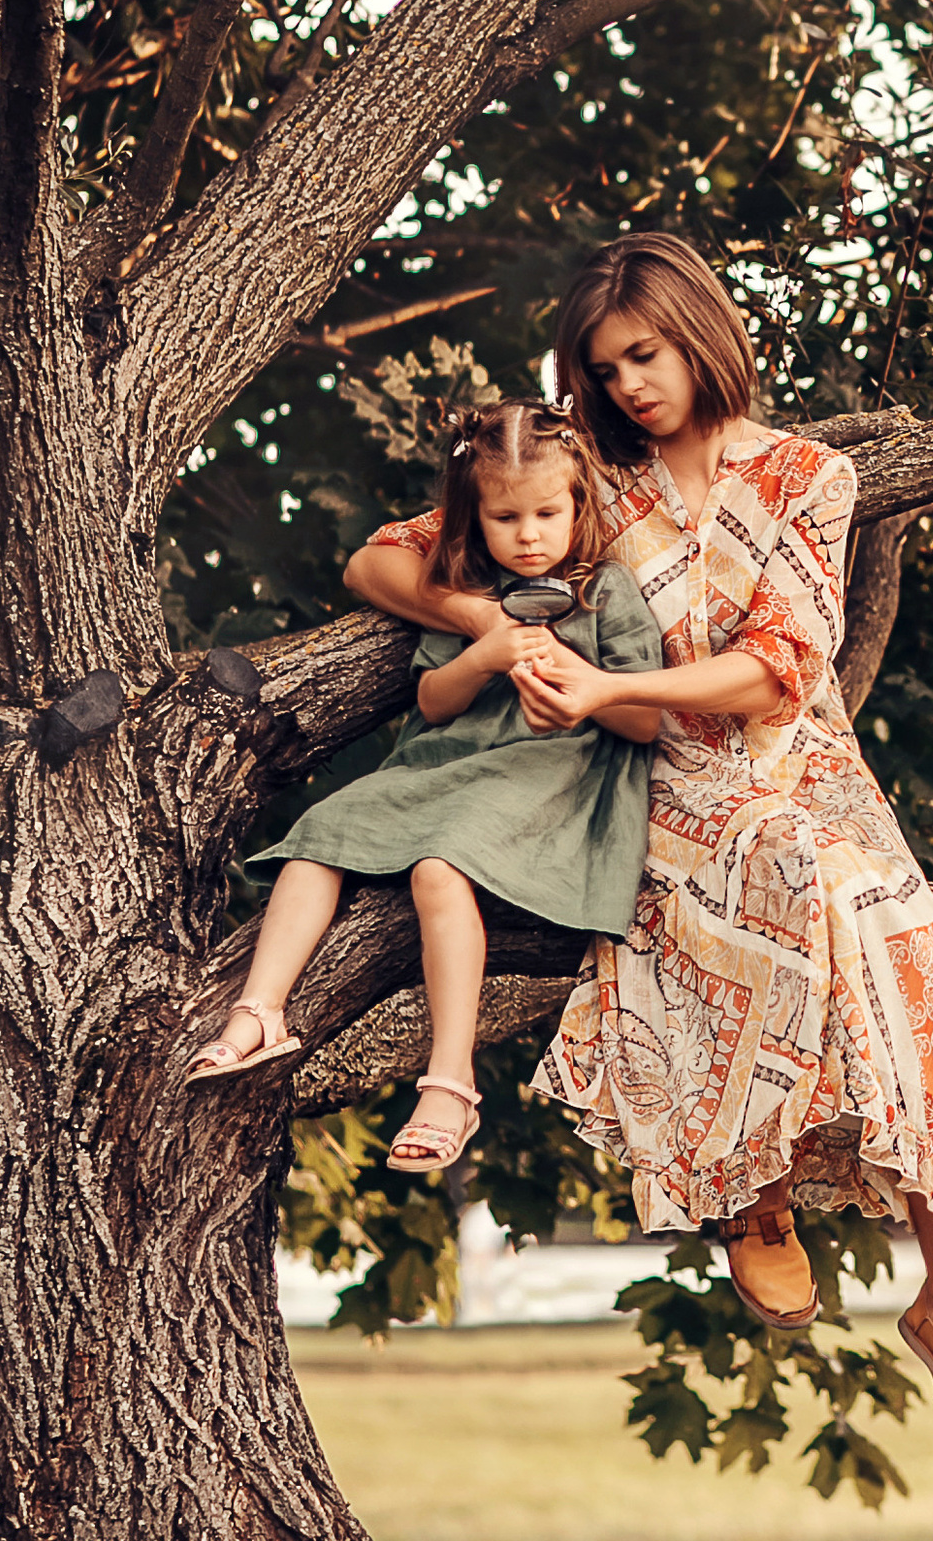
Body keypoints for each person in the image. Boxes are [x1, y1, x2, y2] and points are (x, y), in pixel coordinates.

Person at [343, 237, 933, 1445]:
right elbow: (381, 556)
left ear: (699, 332)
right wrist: (501, 630)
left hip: (805, 765)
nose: (629, 387)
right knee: (779, 875)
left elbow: (779, 669)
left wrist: (593, 686)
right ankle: (747, 1197)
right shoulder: (591, 471)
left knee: (903, 939)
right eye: (605, 370)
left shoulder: (812, 476)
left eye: (643, 356)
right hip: (656, 771)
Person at [191, 402, 664, 1174]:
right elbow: (434, 702)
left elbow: (645, 722)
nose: (530, 534)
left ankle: (450, 1082)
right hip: (445, 765)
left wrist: (584, 690)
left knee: (439, 869)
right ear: (474, 519)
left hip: (551, 773)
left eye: (548, 512)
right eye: (506, 517)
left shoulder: (605, 592)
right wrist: (484, 650)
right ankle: (260, 1011)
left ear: (580, 506)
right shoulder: (473, 593)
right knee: (317, 840)